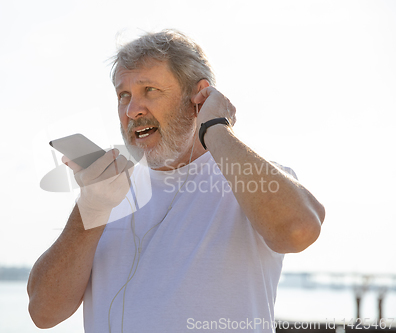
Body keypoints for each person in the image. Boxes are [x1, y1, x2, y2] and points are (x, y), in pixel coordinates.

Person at [27, 30, 325, 332]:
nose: (132, 111)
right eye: (124, 96)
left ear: (199, 96)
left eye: (150, 90)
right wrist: (91, 206)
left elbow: (299, 230)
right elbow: (42, 312)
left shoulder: (248, 180)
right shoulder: (106, 191)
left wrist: (216, 127)